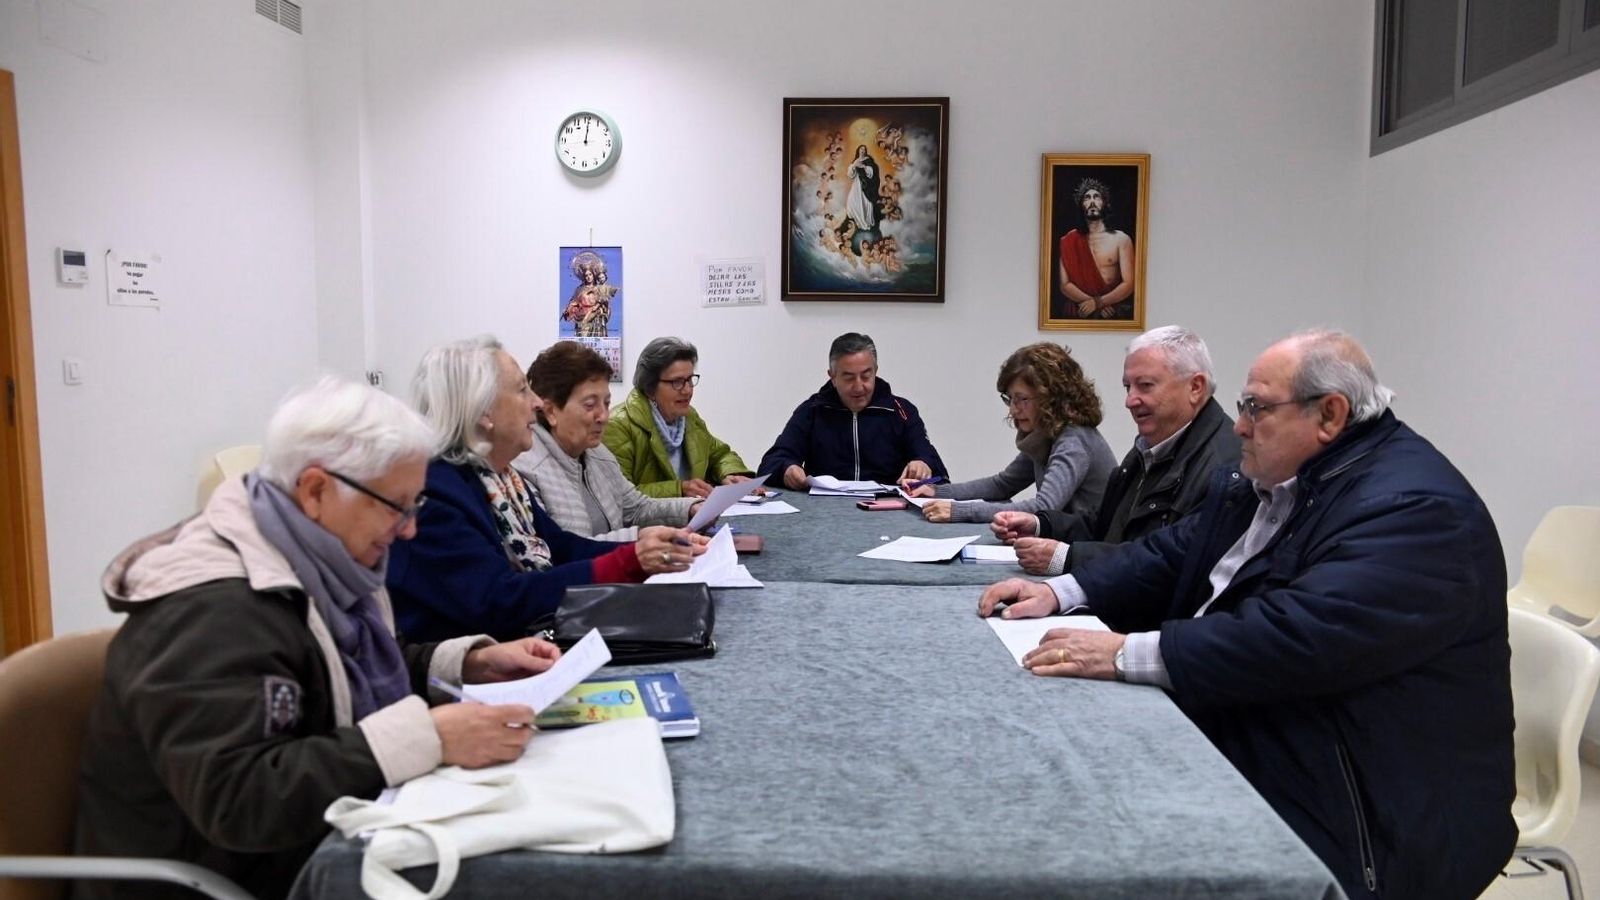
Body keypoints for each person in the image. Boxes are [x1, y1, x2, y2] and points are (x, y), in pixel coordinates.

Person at [977, 330, 1515, 900]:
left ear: (1329, 415)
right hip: (1266, 723)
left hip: (1370, 808)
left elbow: (1298, 636)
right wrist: (1067, 589)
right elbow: (1175, 549)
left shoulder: (1413, 510)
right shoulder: (1281, 475)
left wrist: (1123, 651)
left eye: (1256, 408)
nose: (1238, 426)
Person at [73, 377, 569, 900]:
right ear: (314, 491)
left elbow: (330, 669)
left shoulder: (320, 559)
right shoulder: (212, 612)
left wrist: (466, 664)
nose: (408, 531)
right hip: (220, 879)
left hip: (313, 850)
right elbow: (240, 801)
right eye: (396, 506)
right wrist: (431, 737)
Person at [388, 336, 702, 643]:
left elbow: (560, 546)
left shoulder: (502, 479)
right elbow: (500, 599)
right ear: (484, 412)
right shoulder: (435, 494)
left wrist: (643, 549)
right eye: (522, 390)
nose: (536, 402)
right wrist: (630, 559)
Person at [991, 326, 1240, 574]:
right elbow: (1106, 524)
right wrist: (1041, 525)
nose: (1130, 400)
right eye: (1127, 387)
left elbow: (1170, 560)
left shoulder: (1223, 467)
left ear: (1195, 387)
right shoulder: (1149, 448)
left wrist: (1068, 558)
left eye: (1145, 386)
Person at [905, 343, 1114, 525]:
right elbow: (1003, 485)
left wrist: (961, 512)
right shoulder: (1047, 435)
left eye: (1021, 399)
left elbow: (1045, 506)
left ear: (1050, 398)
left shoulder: (1073, 440)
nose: (1013, 410)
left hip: (1092, 551)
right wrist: (937, 492)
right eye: (1010, 399)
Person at [515, 341, 697, 539]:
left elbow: (636, 508)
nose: (603, 416)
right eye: (590, 405)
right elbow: (562, 553)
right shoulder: (526, 471)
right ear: (550, 411)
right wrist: (638, 541)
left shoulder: (596, 453)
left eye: (607, 403)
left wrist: (692, 508)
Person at [759, 332, 947, 490]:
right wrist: (786, 469)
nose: (859, 387)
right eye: (848, 378)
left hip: (889, 511)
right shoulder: (812, 411)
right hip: (823, 513)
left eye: (866, 376)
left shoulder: (901, 411)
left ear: (876, 371)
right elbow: (771, 463)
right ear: (832, 377)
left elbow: (937, 471)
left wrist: (923, 465)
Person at [603, 336, 757, 499]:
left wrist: (729, 473)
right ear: (650, 387)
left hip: (691, 516)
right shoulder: (618, 425)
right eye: (677, 382)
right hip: (648, 523)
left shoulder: (688, 417)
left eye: (690, 380)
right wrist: (679, 489)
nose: (687, 390)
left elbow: (719, 455)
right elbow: (619, 496)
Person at [1056, 177, 1135, 320]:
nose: (1092, 201)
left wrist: (1099, 302)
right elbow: (1064, 284)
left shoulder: (1121, 239)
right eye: (1087, 198)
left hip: (1113, 314)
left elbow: (1129, 284)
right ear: (1081, 205)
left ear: (1104, 203)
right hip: (1078, 313)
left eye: (1096, 197)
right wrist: (1094, 304)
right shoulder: (1068, 241)